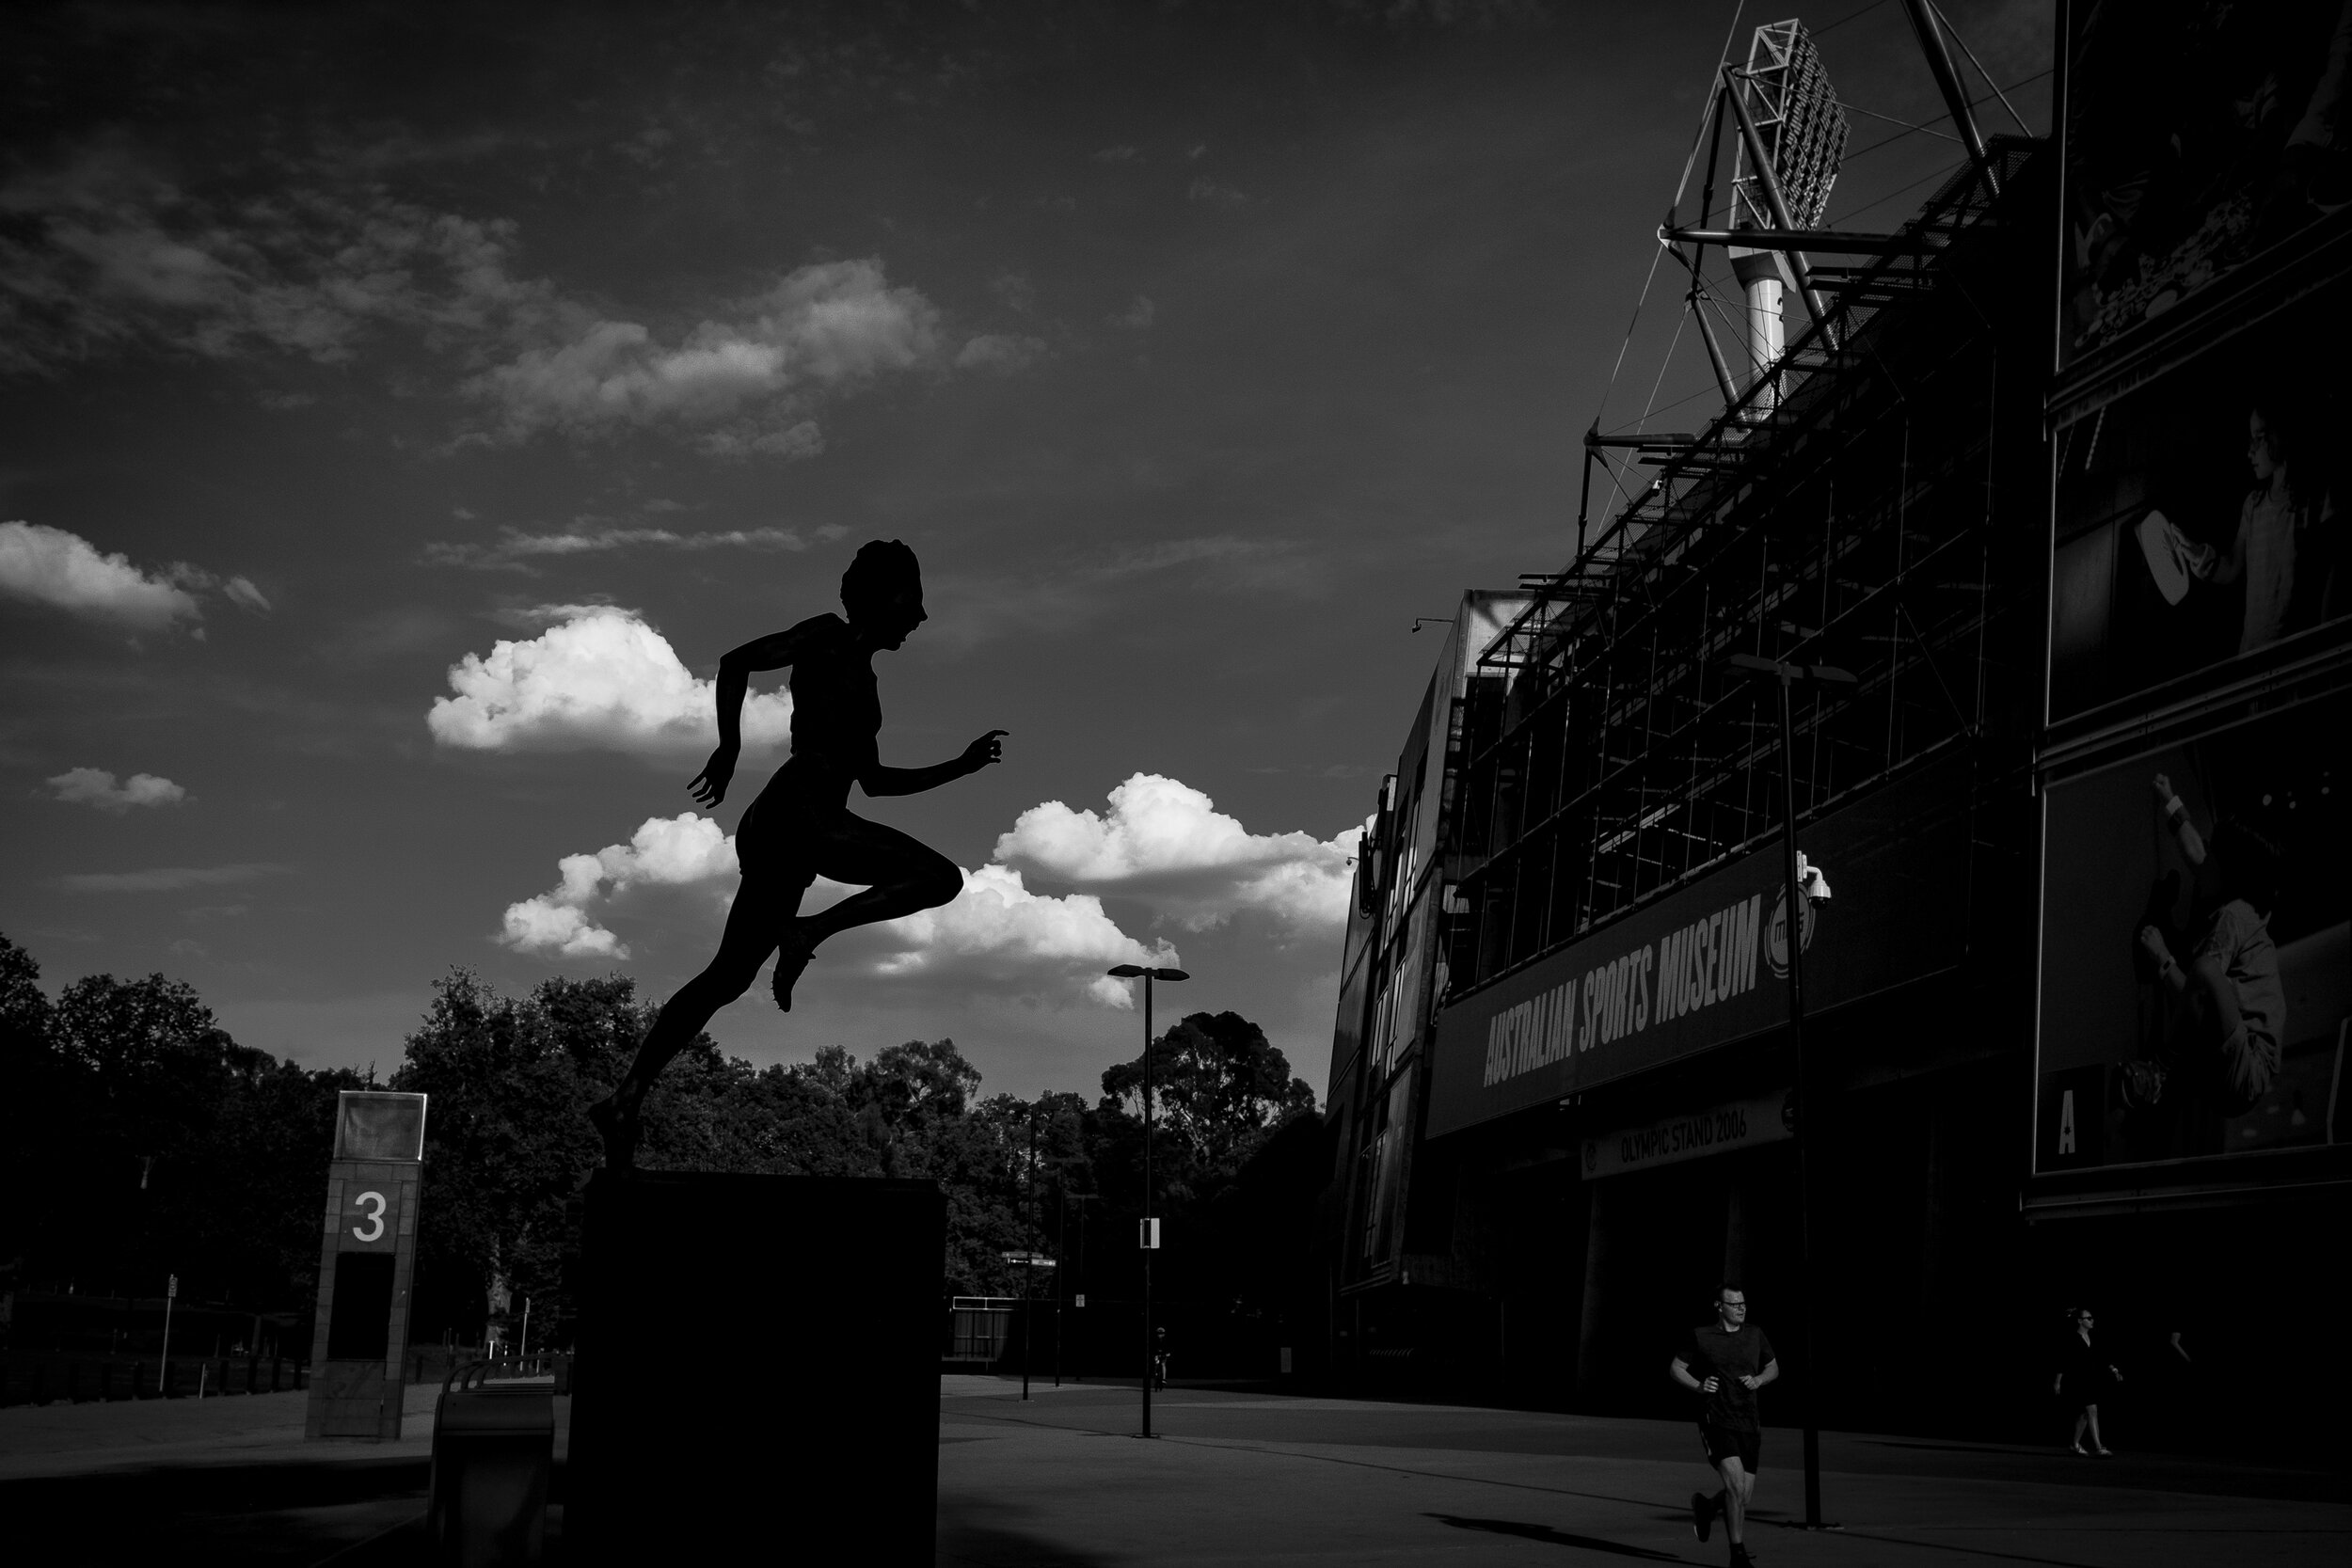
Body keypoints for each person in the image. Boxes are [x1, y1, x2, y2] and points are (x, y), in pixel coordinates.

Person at [588, 540, 1006, 1164]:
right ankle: (808, 930)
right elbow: (736, 662)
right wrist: (728, 747)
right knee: (939, 876)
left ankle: (626, 1096)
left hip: (794, 824)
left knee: (728, 976)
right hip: (799, 812)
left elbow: (875, 780)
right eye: (912, 600)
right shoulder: (826, 636)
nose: (919, 617)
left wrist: (962, 765)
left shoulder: (866, 688)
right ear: (881, 596)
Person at [2135, 773, 2284, 1119]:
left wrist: (2162, 958)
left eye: (2214, 856)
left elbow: (2194, 998)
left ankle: (2159, 1071)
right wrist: (2169, 798)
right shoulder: (2233, 885)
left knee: (2204, 969)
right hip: (2231, 1052)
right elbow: (2195, 849)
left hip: (2245, 1071)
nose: (2205, 856)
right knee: (2204, 968)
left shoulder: (2233, 919)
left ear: (2232, 872)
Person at [1670, 1283, 1778, 1568]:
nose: (1741, 1308)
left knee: (1743, 1495)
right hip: (1716, 1418)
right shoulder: (1701, 1336)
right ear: (1720, 1307)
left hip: (1748, 1420)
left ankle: (1706, 1507)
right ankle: (1737, 1554)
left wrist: (1759, 1380)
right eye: (1734, 1304)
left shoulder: (1755, 1334)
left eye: (1743, 1304)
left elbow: (1773, 1367)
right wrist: (1698, 1386)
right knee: (1735, 1486)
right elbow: (1676, 1368)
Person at [2055, 1307, 2122, 1455]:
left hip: (2091, 1380)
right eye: (2088, 1318)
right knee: (2092, 1410)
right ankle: (2099, 1447)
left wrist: (2114, 1370)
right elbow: (2063, 1361)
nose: (2092, 1320)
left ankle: (2074, 1444)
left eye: (2092, 1318)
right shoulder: (2072, 1338)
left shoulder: (2094, 1338)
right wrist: (2058, 1382)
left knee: (2085, 1415)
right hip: (2077, 1380)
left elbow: (2103, 1357)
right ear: (2080, 1321)